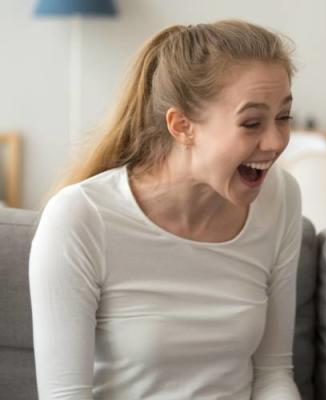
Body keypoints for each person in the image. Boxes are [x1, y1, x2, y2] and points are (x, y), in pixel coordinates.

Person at [29, 20, 302, 399]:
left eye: (283, 117)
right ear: (182, 125)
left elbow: (273, 374)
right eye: (252, 123)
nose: (275, 142)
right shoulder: (81, 218)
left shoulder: (280, 198)